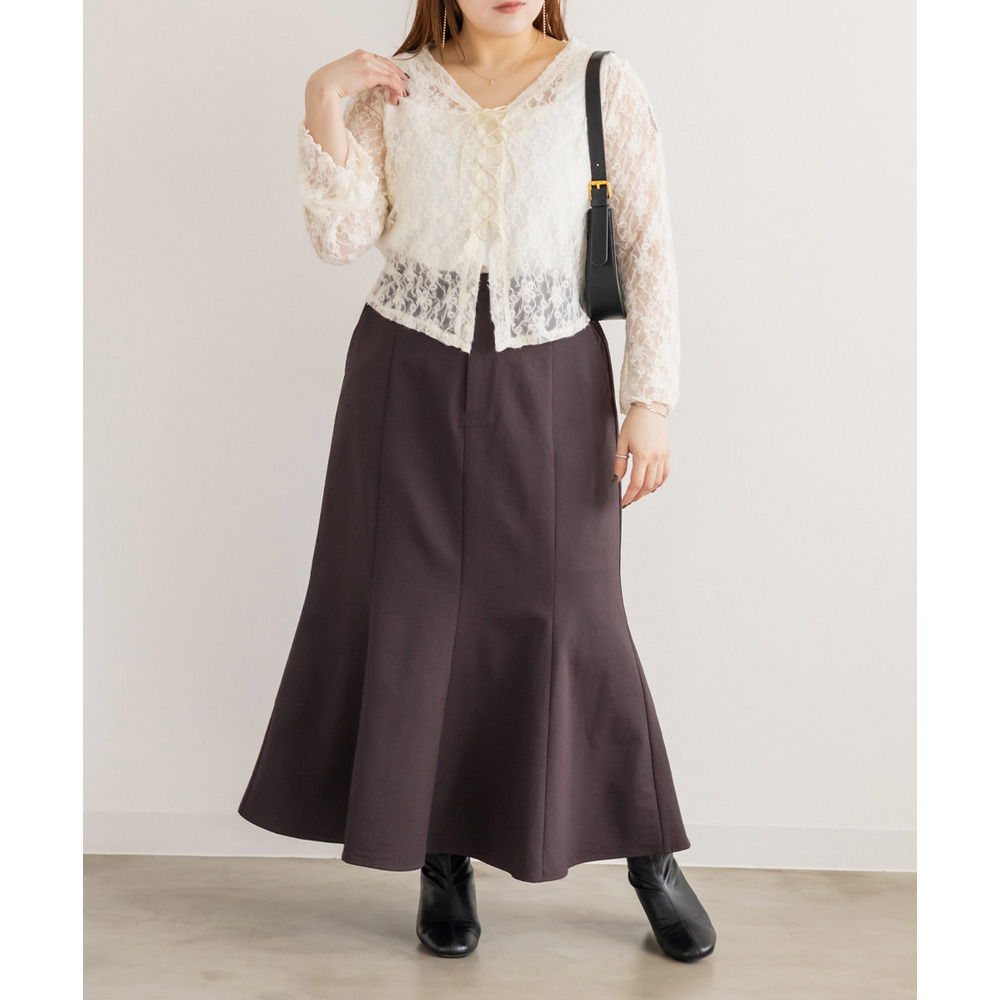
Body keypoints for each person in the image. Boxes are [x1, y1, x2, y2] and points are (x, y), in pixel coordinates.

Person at [237, 0, 716, 962]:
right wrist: (324, 97)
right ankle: (442, 859)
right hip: (405, 375)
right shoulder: (397, 88)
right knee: (416, 615)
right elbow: (343, 237)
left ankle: (650, 856)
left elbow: (646, 245)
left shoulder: (600, 82)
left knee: (575, 614)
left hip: (555, 375)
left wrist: (651, 398)